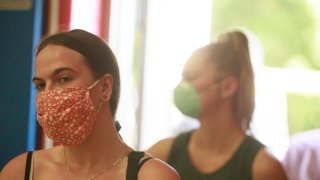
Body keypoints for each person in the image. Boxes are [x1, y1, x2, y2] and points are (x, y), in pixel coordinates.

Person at [1, 29, 179, 180]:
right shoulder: (20, 171)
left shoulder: (152, 175)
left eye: (64, 78)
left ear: (104, 87)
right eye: (41, 85)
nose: (48, 94)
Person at [147, 30, 288, 180]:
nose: (182, 86)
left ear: (227, 87)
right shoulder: (163, 153)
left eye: (191, 77)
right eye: (183, 78)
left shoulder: (263, 168)